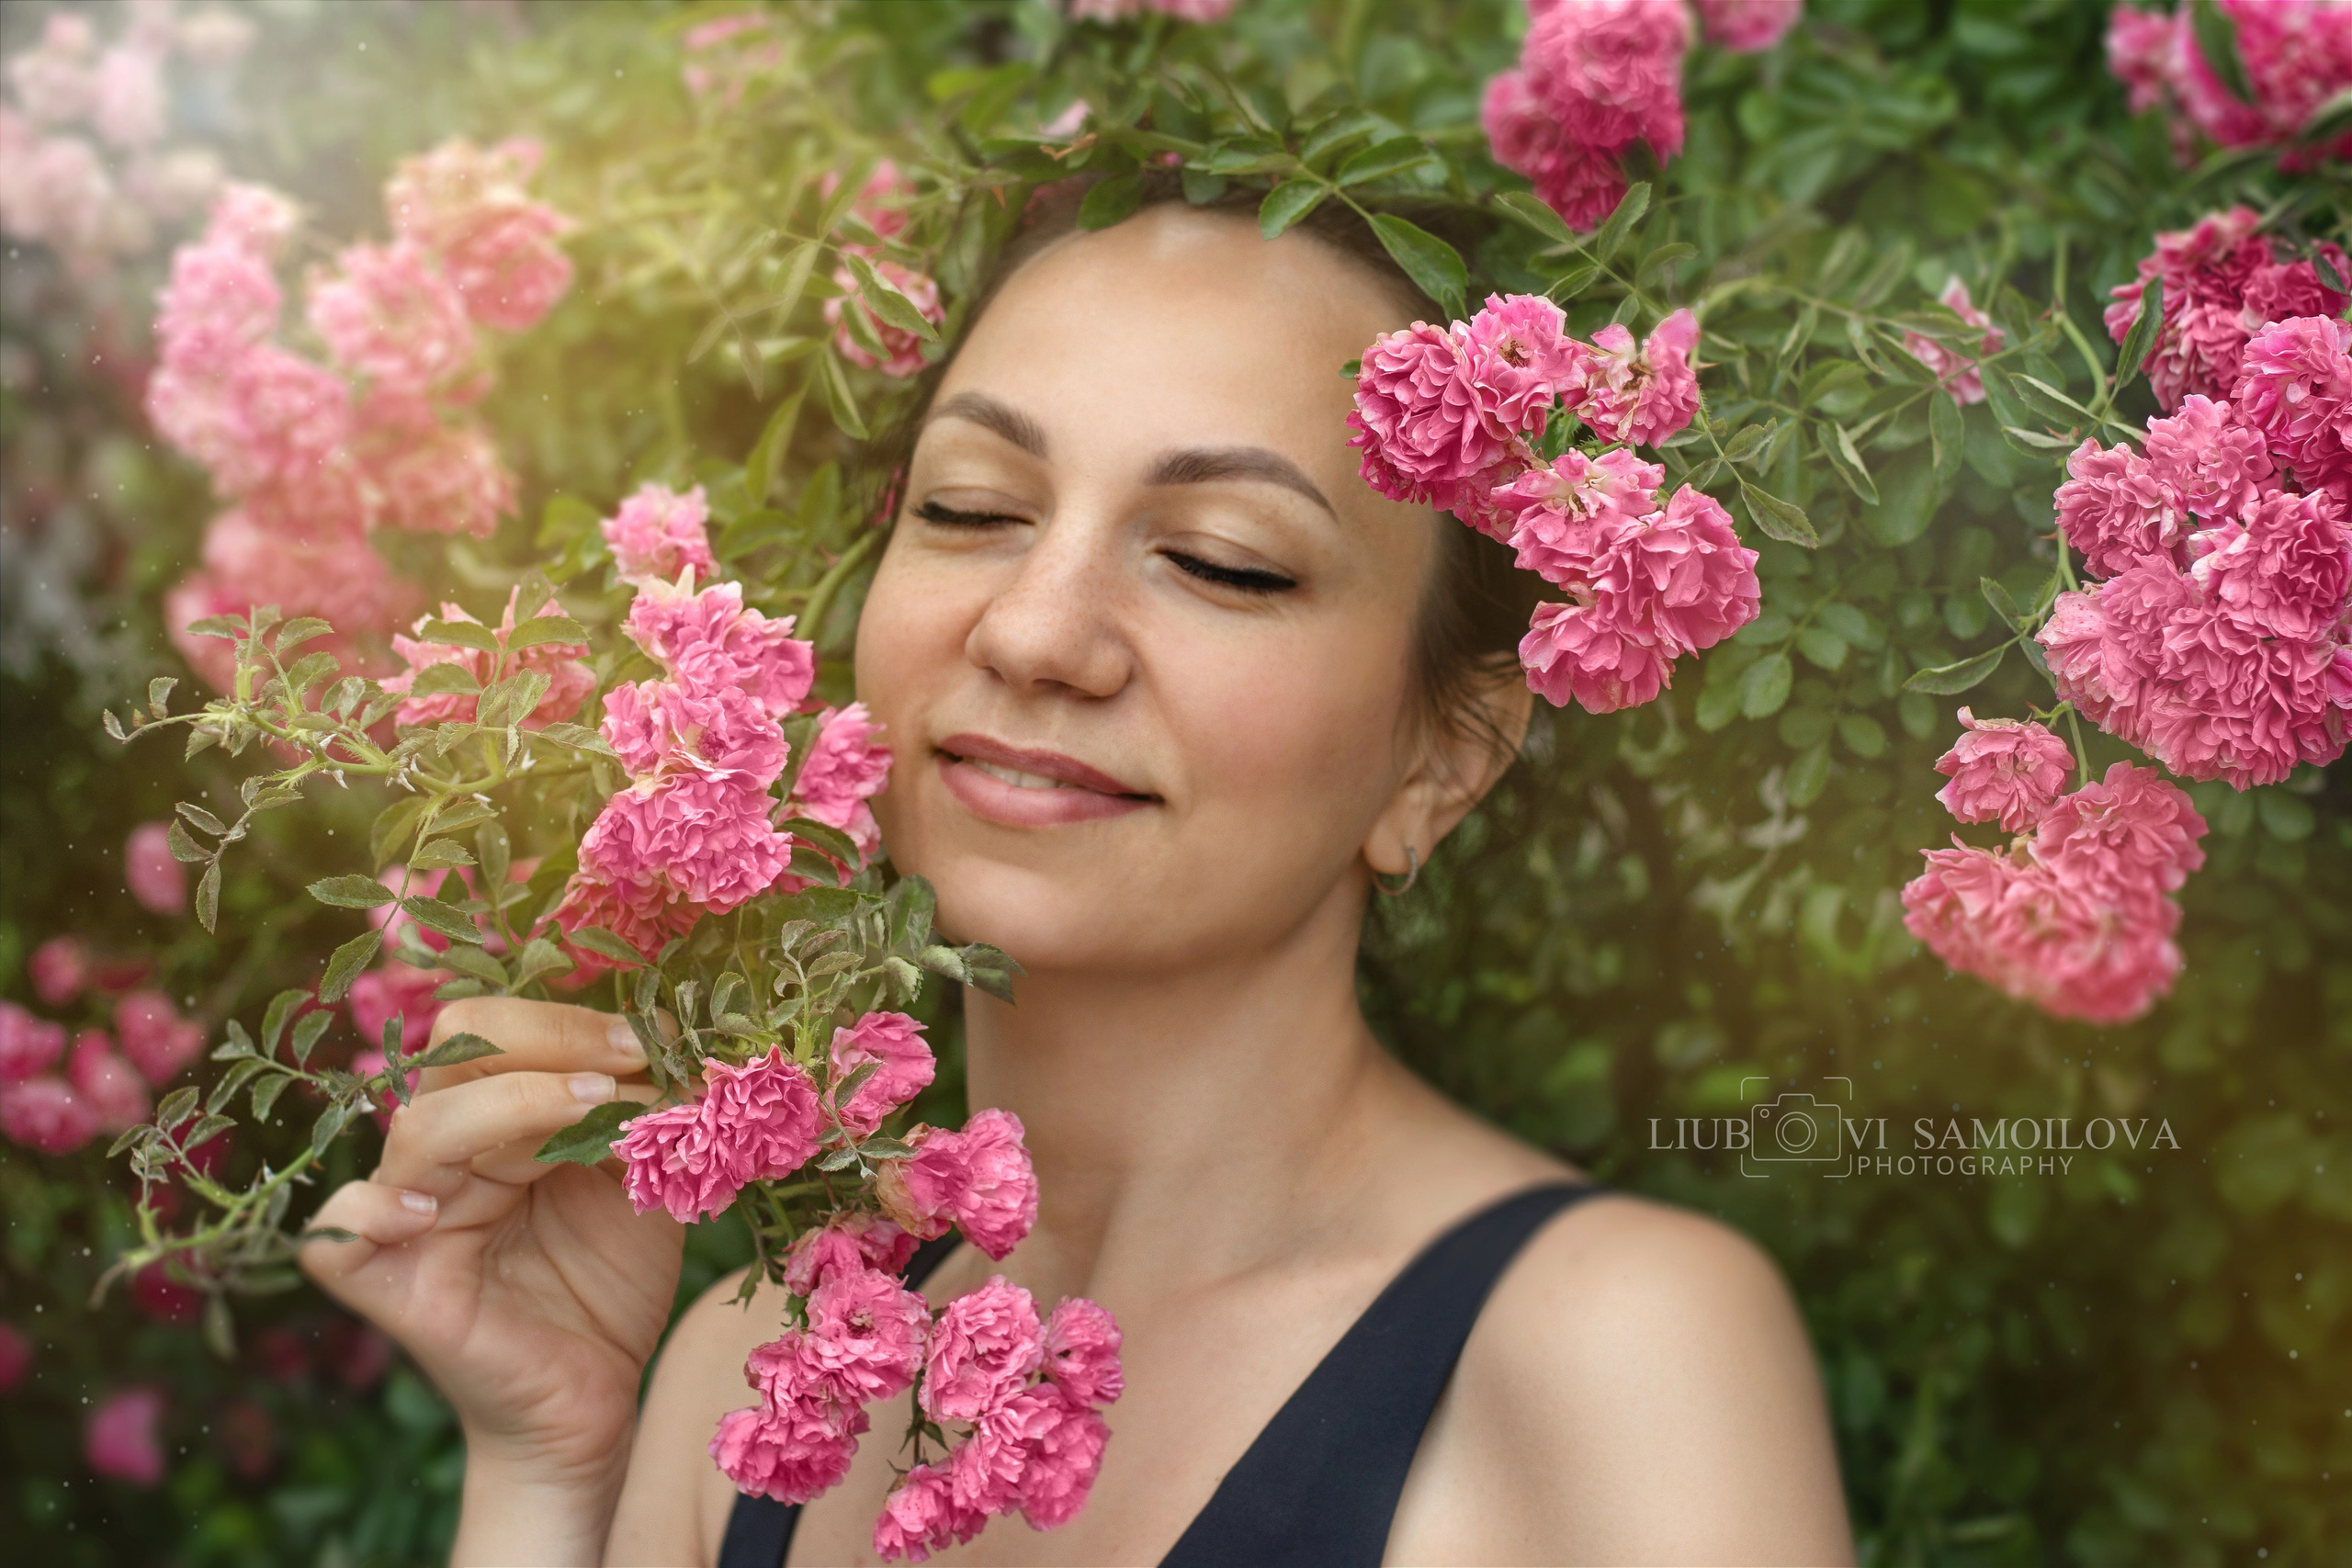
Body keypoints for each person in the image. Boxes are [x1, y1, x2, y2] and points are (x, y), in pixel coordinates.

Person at [299, 190, 1855, 1566]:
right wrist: (546, 1462)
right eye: (971, 512)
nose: (1035, 634)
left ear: (1440, 760)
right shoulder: (754, 1365)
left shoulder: (1612, 1355)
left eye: (1227, 561)